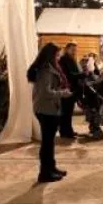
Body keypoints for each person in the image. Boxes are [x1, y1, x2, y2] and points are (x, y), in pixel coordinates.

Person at [27, 43, 72, 183]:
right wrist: (63, 93)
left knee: (50, 142)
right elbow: (45, 92)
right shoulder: (46, 70)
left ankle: (51, 168)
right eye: (57, 55)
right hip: (46, 109)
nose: (58, 58)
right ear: (50, 55)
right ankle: (45, 173)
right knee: (47, 143)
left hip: (49, 108)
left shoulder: (49, 68)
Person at [59, 43, 82, 139]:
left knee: (68, 112)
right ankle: (66, 132)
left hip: (72, 89)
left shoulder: (71, 59)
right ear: (67, 49)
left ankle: (68, 130)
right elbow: (69, 75)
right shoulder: (64, 60)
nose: (74, 52)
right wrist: (82, 75)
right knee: (66, 112)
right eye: (72, 49)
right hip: (67, 89)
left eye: (75, 50)